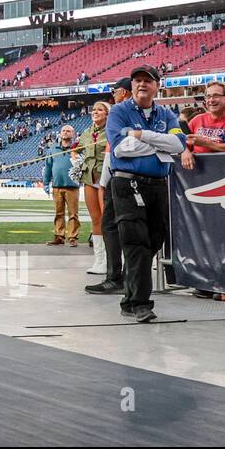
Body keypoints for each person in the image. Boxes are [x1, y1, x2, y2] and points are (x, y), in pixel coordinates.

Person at [106, 66, 186, 323]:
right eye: (137, 80)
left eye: (147, 81)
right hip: (127, 184)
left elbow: (178, 144)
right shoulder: (119, 111)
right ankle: (141, 303)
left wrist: (141, 135)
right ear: (131, 85)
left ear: (157, 86)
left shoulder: (166, 113)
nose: (142, 84)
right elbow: (121, 149)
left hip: (157, 184)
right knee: (135, 241)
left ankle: (129, 299)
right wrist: (157, 143)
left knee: (154, 238)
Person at [86, 78, 133, 296]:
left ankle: (118, 275)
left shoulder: (119, 113)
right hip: (120, 172)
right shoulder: (131, 112)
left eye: (115, 91)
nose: (113, 94)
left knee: (117, 224)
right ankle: (118, 273)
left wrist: (103, 180)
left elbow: (111, 149)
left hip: (123, 173)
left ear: (123, 92)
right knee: (113, 223)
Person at [75, 102, 109, 275]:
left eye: (100, 110)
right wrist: (76, 163)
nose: (95, 112)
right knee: (95, 219)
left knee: (108, 220)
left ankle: (112, 260)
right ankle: (99, 260)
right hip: (89, 178)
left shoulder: (111, 131)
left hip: (106, 179)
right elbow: (75, 150)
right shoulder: (86, 133)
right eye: (93, 109)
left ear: (107, 114)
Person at [182, 82, 225, 165]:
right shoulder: (197, 120)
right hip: (199, 172)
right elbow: (183, 141)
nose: (211, 100)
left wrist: (206, 143)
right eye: (208, 96)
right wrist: (185, 151)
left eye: (216, 96)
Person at [43, 125, 81, 247]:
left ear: (73, 134)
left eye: (68, 131)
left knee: (73, 214)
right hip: (57, 186)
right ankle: (59, 236)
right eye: (63, 131)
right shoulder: (52, 149)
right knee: (58, 213)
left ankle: (72, 237)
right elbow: (48, 167)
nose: (65, 132)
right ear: (60, 133)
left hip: (72, 186)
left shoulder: (77, 148)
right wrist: (45, 183)